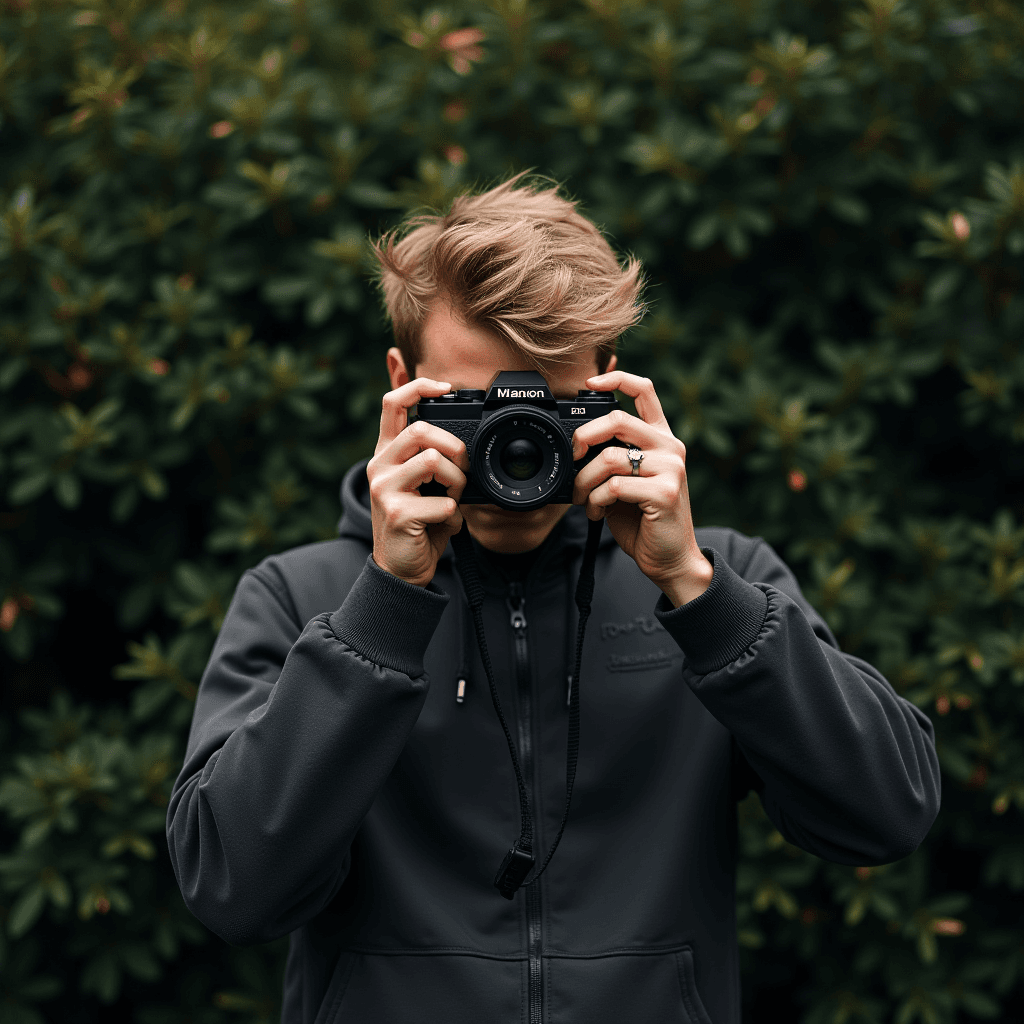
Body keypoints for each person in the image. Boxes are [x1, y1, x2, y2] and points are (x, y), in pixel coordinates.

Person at [166, 173, 941, 1024]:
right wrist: (383, 611)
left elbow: (886, 814)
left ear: (609, 382)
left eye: (546, 406)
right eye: (474, 408)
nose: (512, 448)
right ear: (399, 381)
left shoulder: (718, 586)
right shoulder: (301, 598)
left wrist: (696, 592)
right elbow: (232, 885)